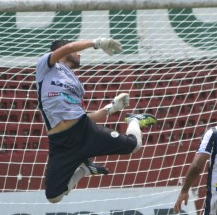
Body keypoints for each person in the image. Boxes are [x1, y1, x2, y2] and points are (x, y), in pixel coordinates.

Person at [35, 38, 158, 203]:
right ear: (63, 50)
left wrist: (111, 108)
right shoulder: (46, 66)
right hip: (61, 142)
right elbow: (69, 47)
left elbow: (83, 116)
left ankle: (134, 120)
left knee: (134, 145)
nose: (79, 54)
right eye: (76, 51)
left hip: (84, 131)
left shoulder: (76, 84)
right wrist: (96, 43)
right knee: (54, 196)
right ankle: (84, 169)